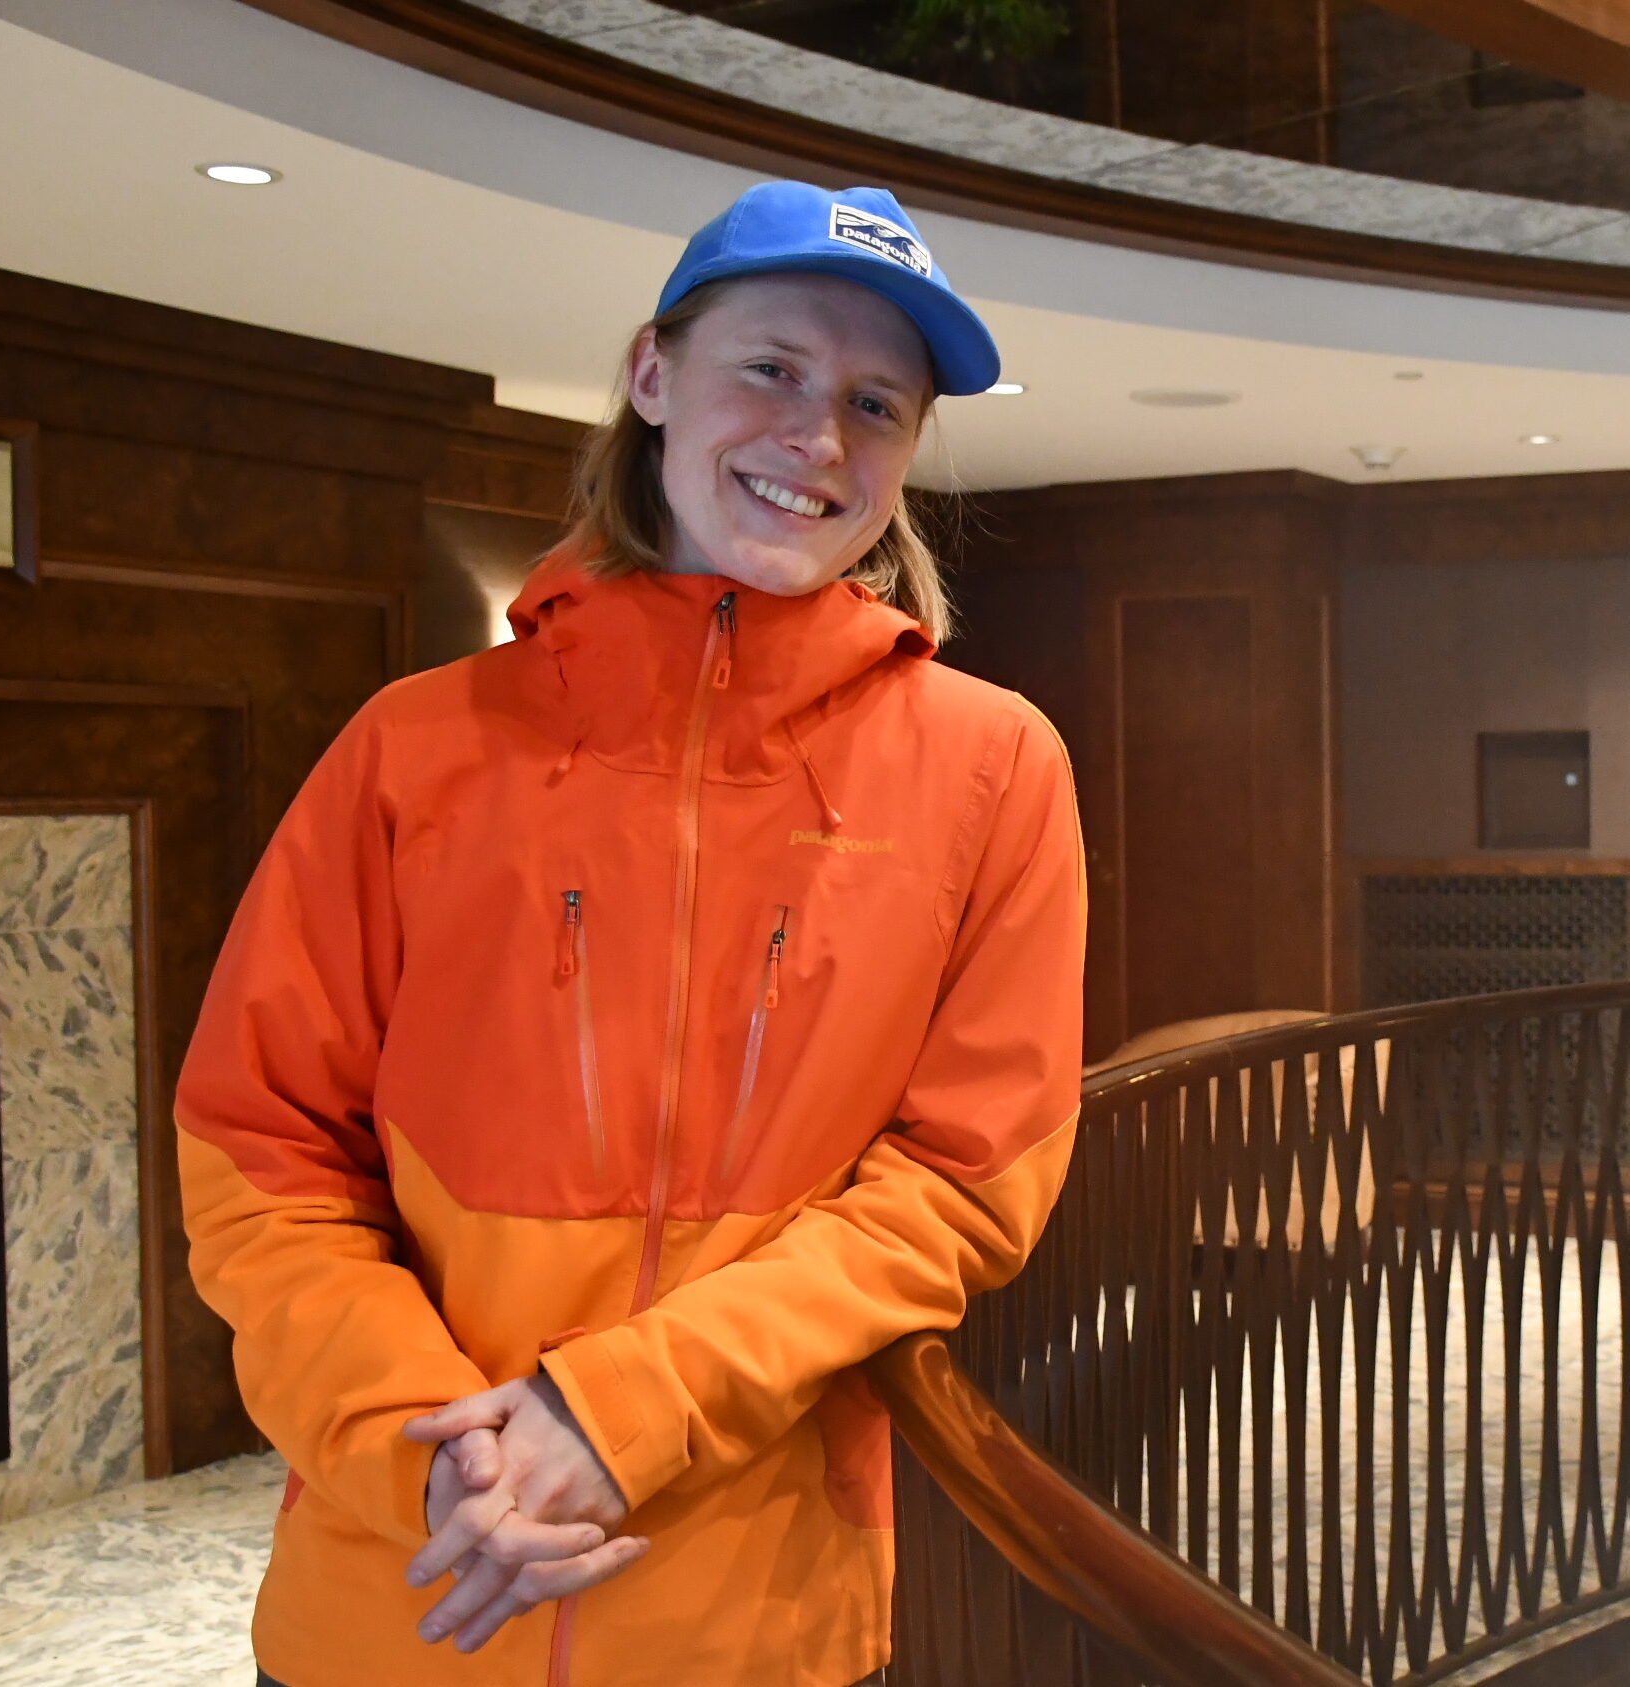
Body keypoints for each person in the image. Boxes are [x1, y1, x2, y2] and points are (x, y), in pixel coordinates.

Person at [175, 179, 1085, 1687]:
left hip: (758, 1624)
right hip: (403, 1602)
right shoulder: (413, 747)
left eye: (879, 401)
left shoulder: (997, 768)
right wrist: (439, 1467)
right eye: (774, 370)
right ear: (652, 378)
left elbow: (962, 1185)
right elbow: (259, 1150)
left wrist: (621, 1413)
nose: (823, 439)